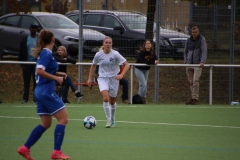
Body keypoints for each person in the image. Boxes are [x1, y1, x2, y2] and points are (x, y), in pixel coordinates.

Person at [17, 30, 71, 160]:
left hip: (40, 91)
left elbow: (42, 71)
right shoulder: (46, 53)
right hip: (46, 91)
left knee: (46, 123)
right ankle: (57, 151)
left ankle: (25, 148)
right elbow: (40, 71)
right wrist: (56, 78)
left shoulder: (45, 53)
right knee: (63, 119)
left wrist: (59, 74)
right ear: (53, 39)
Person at [87, 36, 130, 128]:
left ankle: (113, 117)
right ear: (103, 44)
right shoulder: (98, 54)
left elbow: (127, 65)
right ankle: (109, 120)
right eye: (106, 42)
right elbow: (93, 66)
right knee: (106, 98)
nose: (108, 44)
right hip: (102, 78)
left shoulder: (115, 54)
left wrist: (121, 75)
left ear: (112, 44)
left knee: (112, 101)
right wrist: (89, 78)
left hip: (114, 79)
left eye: (110, 43)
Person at [184, 26, 207, 105]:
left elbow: (204, 51)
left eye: (195, 32)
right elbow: (185, 51)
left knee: (195, 81)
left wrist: (202, 61)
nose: (194, 34)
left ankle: (195, 98)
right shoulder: (188, 40)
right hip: (189, 63)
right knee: (191, 82)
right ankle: (192, 97)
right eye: (193, 32)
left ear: (198, 32)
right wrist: (186, 61)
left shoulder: (201, 39)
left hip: (197, 64)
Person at [18, 23, 38, 104]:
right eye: (32, 28)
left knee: (36, 82)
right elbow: (21, 51)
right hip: (26, 63)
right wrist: (22, 63)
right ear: (29, 29)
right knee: (26, 82)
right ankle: (25, 98)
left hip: (36, 64)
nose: (33, 29)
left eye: (35, 28)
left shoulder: (39, 39)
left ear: (37, 29)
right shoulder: (25, 39)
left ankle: (35, 98)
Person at [135, 40, 158, 104]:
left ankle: (143, 98)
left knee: (144, 85)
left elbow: (156, 59)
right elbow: (144, 61)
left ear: (151, 45)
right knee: (143, 84)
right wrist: (153, 62)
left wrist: (155, 61)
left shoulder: (152, 53)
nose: (148, 45)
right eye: (146, 44)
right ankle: (138, 99)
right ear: (144, 45)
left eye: (149, 43)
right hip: (139, 69)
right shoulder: (142, 53)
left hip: (146, 70)